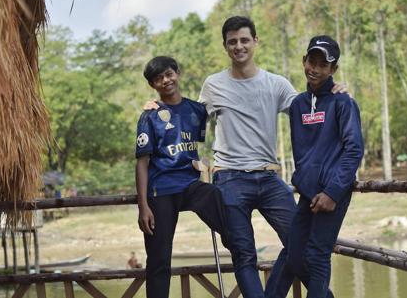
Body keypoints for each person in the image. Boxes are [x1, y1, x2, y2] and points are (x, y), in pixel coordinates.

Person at [199, 17, 345, 298]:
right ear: (225, 46)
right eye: (232, 42)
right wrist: (159, 106)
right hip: (229, 178)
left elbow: (310, 112)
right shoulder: (213, 84)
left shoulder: (275, 84)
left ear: (255, 41)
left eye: (244, 40)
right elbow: (189, 120)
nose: (238, 46)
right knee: (244, 254)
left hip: (268, 178)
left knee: (298, 243)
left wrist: (334, 91)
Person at [266, 36, 364, 298]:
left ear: (333, 70)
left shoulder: (343, 103)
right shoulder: (298, 104)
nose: (316, 69)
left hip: (333, 193)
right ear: (304, 62)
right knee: (295, 256)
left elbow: (354, 149)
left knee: (318, 255)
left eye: (323, 65)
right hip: (307, 195)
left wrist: (332, 192)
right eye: (312, 61)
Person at [135, 56, 231, 298]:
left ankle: (239, 247)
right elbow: (142, 162)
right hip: (161, 192)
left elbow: (198, 144)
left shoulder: (196, 110)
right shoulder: (149, 116)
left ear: (177, 73)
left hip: (190, 185)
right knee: (158, 260)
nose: (165, 81)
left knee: (220, 203)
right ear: (153, 85)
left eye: (168, 74)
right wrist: (143, 206)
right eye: (158, 79)